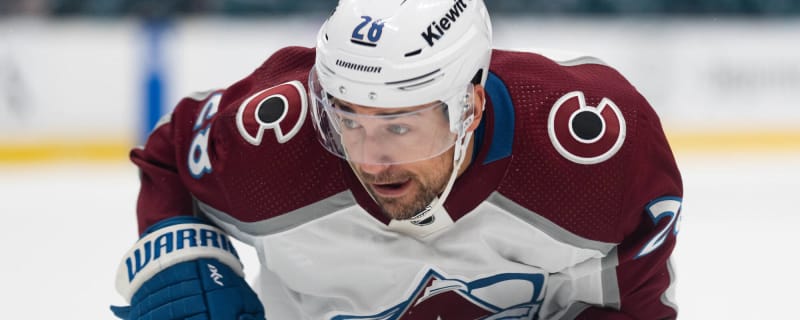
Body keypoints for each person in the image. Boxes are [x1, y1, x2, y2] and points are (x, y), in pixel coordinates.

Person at [111, 0, 683, 319]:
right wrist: (180, 262)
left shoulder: (596, 148)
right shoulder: (273, 135)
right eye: (348, 121)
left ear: (471, 106)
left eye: (401, 125)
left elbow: (634, 308)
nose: (372, 160)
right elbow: (170, 154)